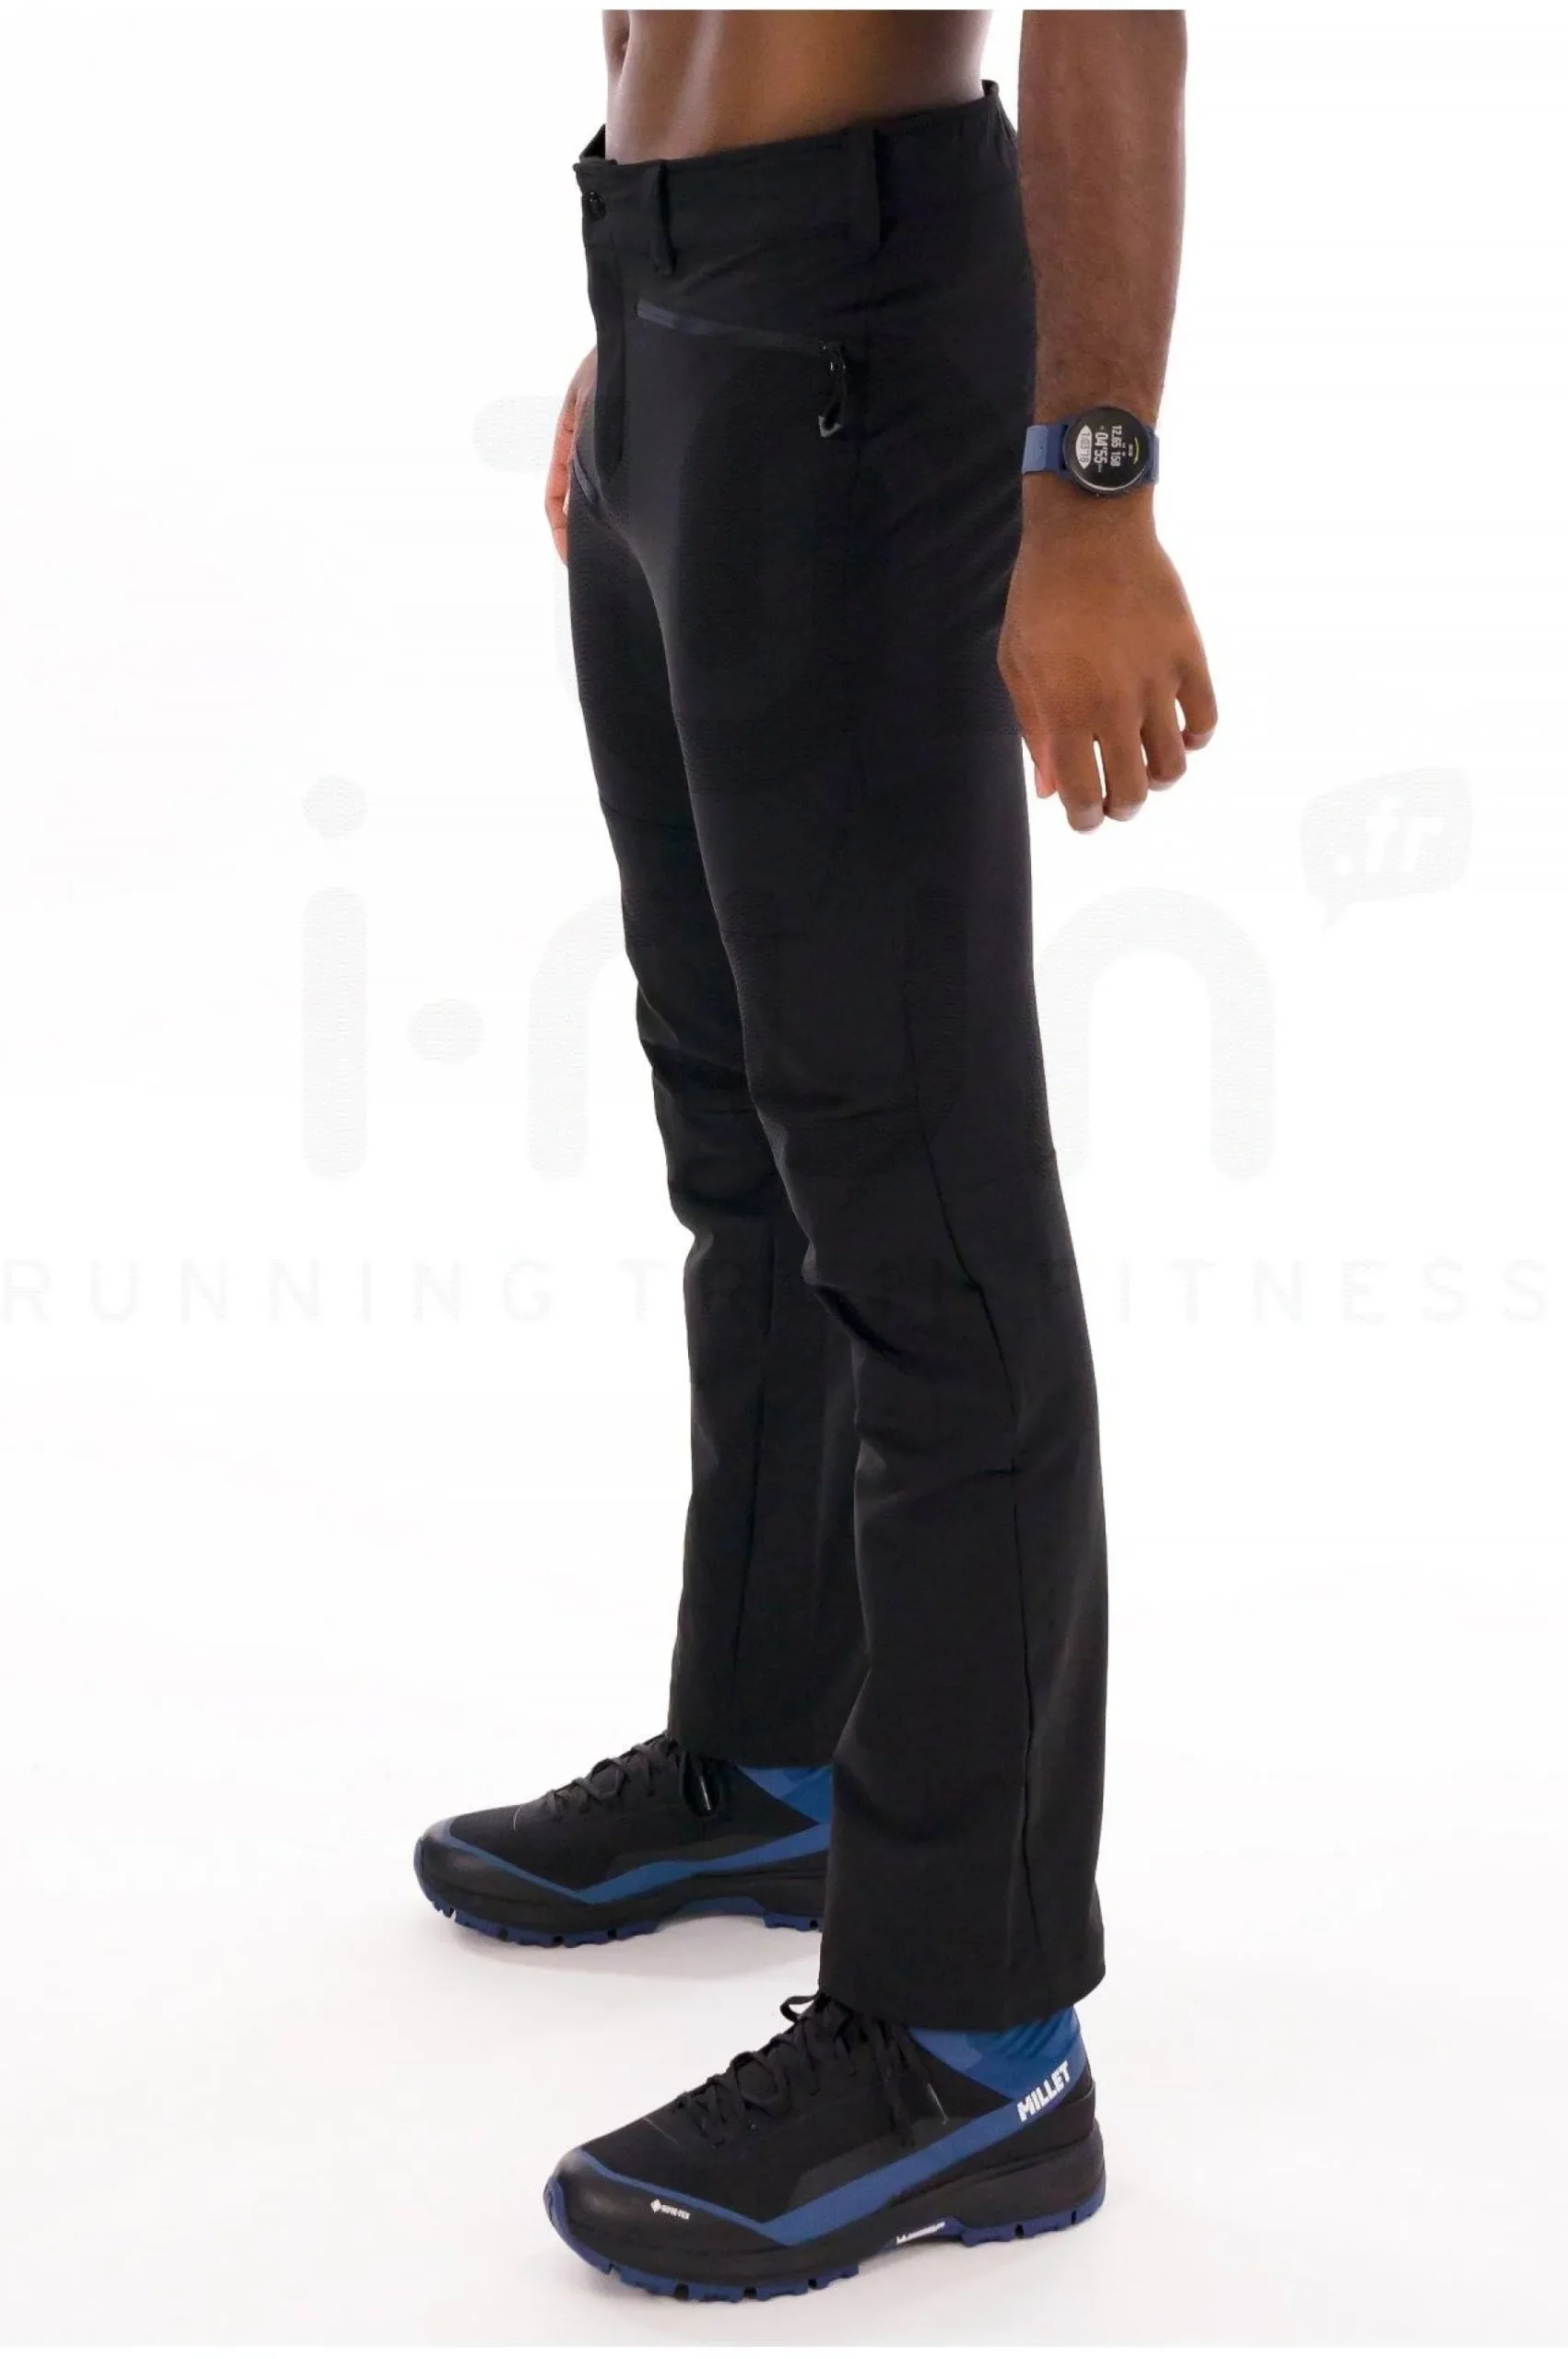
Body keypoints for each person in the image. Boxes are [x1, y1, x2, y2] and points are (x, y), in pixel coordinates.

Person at [415, 7, 1215, 2299]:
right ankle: (777, 1758)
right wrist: (644, 325)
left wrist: (1090, 491)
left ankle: (974, 2031)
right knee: (745, 1131)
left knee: (916, 1193)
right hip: (677, 315)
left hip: (861, 337)